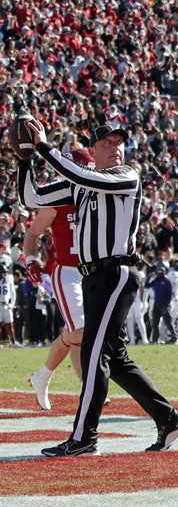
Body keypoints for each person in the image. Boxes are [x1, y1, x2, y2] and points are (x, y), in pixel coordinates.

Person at [18, 120, 178, 457]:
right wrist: (24, 159)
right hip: (93, 277)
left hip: (115, 273)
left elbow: (84, 177)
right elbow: (32, 197)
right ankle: (169, 419)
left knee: (94, 355)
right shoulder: (81, 183)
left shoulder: (126, 176)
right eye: (107, 142)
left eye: (119, 142)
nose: (115, 147)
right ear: (93, 150)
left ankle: (84, 438)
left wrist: (42, 146)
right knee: (116, 358)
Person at [24, 154, 89, 410]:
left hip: (94, 273)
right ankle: (88, 387)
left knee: (79, 333)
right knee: (81, 330)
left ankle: (43, 375)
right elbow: (32, 233)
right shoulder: (58, 199)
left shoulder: (98, 194)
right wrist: (30, 259)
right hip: (68, 272)